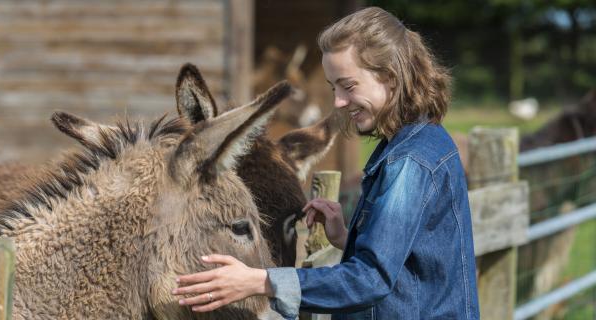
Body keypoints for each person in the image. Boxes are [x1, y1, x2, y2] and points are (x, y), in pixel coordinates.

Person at [172, 6, 480, 319]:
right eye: (334, 88)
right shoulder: (418, 141)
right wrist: (348, 239)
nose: (339, 102)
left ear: (390, 77)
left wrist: (260, 280)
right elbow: (412, 264)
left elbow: (371, 279)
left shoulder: (411, 161)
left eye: (348, 86)